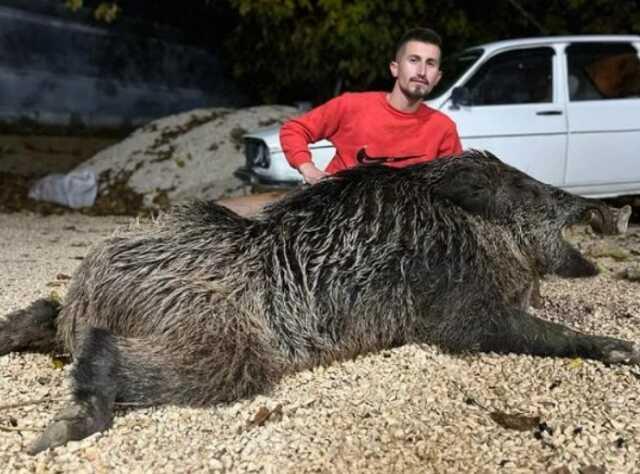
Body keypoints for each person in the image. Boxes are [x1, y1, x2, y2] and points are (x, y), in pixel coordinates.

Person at [280, 27, 463, 184]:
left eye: (430, 64)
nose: (422, 72)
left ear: (437, 78)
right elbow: (293, 130)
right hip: (339, 214)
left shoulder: (443, 129)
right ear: (395, 68)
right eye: (414, 60)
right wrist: (308, 169)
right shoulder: (352, 106)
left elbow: (455, 186)